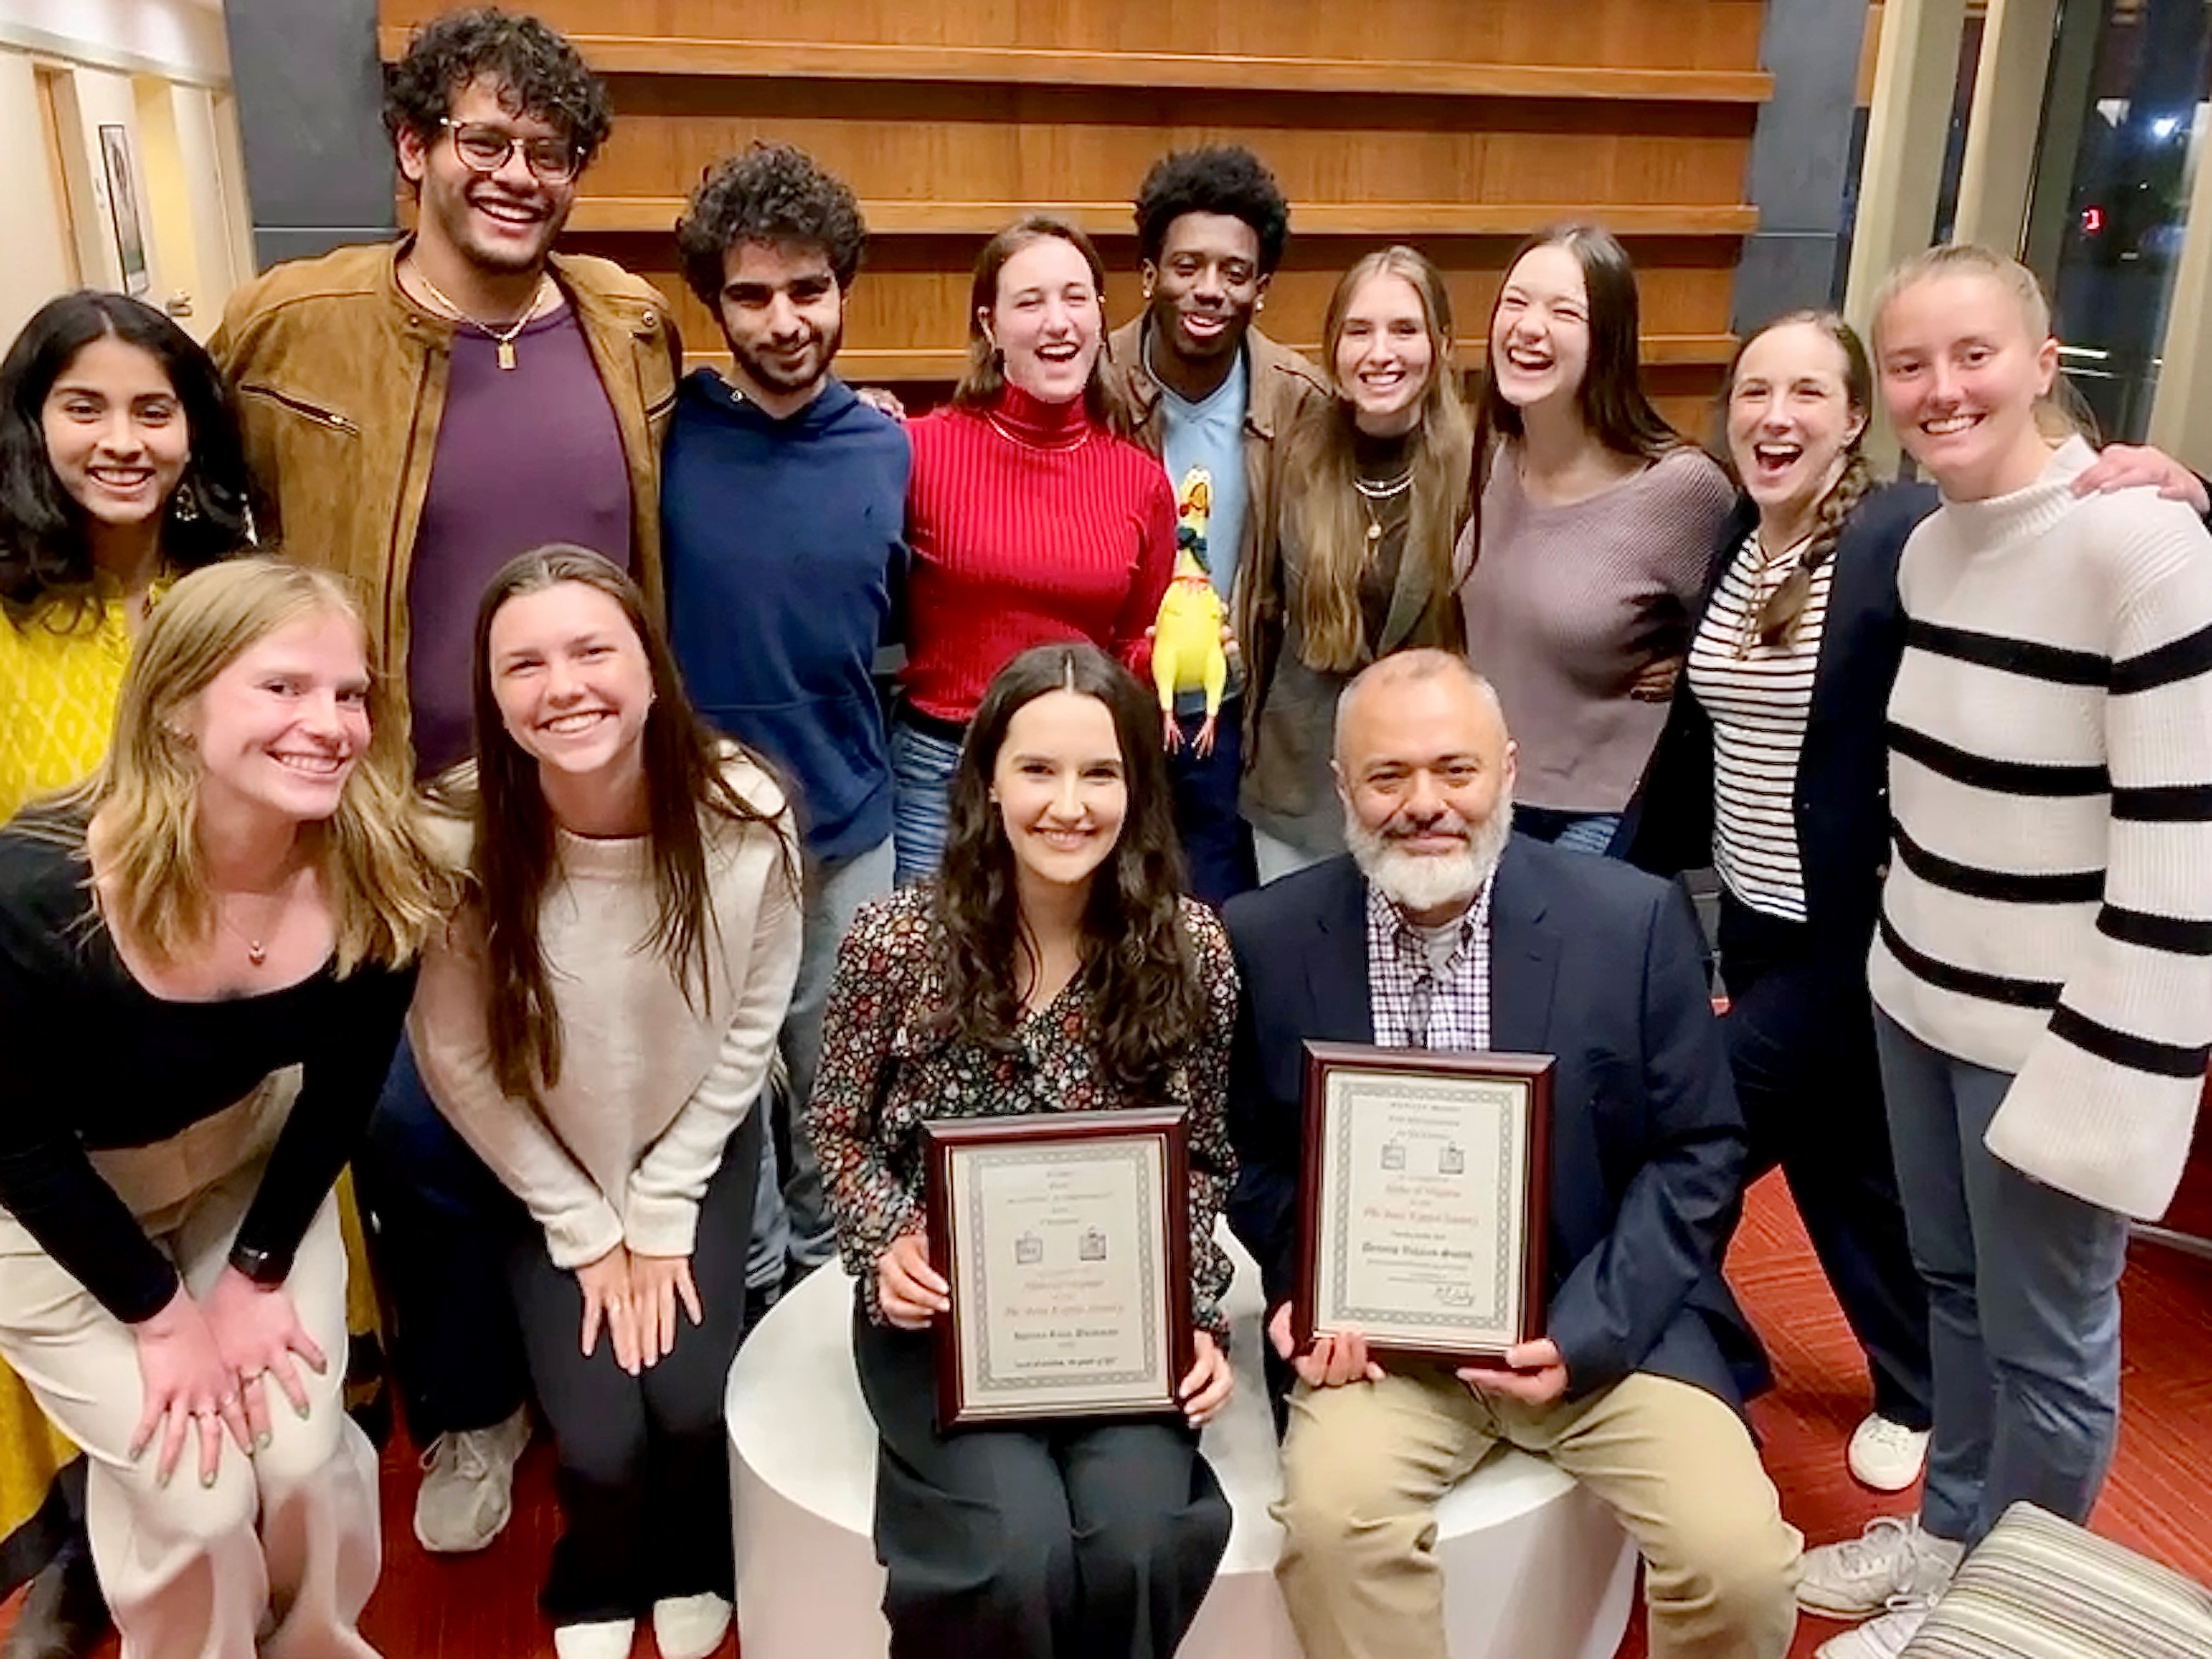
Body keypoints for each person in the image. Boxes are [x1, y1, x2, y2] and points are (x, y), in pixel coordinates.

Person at [211, 5, 681, 1553]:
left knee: (572, 1090)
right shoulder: (296, 322)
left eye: (549, 153)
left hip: (582, 799)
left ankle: (590, 1368)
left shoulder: (622, 318)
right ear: (413, 148)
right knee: (412, 1122)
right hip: (388, 811)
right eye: (483, 141)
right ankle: (472, 1409)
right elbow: (206, 516)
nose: (517, 175)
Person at [1624, 311, 2205, 1505]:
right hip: (1762, 925)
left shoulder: (1898, 534)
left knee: (1679, 1150)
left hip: (1857, 938)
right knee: (1851, 1173)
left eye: (1807, 394)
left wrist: (2185, 489)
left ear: (1852, 421)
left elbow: (2049, 550)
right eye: (1752, 392)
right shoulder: (1746, 533)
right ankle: (1913, 1386)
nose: (1773, 416)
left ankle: (1698, 1369)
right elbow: (1713, 727)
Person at [1789, 245, 2212, 1659]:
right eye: (1909, 364)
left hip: (2052, 1033)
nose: (1941, 388)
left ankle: (2012, 1620)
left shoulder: (2141, 545)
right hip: (1916, 1000)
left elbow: (2178, 851)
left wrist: (2111, 1083)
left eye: (1974, 355)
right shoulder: (1921, 541)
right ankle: (1953, 1545)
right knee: (1951, 1298)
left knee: (2050, 1349)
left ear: (2044, 362)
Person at [1225, 648, 1800, 1659]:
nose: (1424, 803)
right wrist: (1300, 1288)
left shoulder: (1629, 920)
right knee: (1332, 1529)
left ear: (1509, 770)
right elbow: (1258, 1154)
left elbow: (1700, 1150)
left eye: (1456, 768)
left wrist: (1587, 1330)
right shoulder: (1269, 936)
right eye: (1388, 774)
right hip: (1383, 1346)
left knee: (1737, 1563)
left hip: (1602, 1315)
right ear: (1341, 787)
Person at [0, 556, 452, 1659]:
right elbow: (18, 1144)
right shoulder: (35, 893)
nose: (332, 724)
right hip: (48, 1199)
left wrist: (253, 1273)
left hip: (242, 1160)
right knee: (195, 1490)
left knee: (301, 1453)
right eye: (283, 687)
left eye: (350, 694)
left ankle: (316, 1642)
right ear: (176, 706)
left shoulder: (378, 871)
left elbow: (340, 1098)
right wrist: (162, 1318)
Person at [809, 642, 1238, 1658]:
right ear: (988, 780)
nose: (1069, 803)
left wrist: (1199, 1316)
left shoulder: (1194, 950)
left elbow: (1204, 1157)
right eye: (1038, 769)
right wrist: (884, 1243)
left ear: (1138, 788)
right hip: (947, 1319)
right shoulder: (895, 940)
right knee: (1016, 1548)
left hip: (1117, 1323)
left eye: (1101, 772)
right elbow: (834, 1124)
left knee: (1136, 1540)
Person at [409, 548, 801, 1659]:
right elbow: (456, 1060)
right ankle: (598, 1567)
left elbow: (753, 1021)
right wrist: (585, 1224)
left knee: (687, 1406)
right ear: (491, 693)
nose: (562, 686)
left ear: (650, 664)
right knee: (596, 1439)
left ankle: (693, 1556)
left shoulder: (744, 813)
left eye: (592, 650)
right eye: (523, 663)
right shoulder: (454, 835)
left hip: (694, 1146)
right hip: (544, 1161)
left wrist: (666, 1200)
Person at [0, 290, 258, 1658]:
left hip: (225, 1026)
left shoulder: (225, 588)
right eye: (83, 408)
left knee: (227, 1349)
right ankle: (90, 1544)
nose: (123, 441)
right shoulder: (5, 605)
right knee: (95, 1318)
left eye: (153, 410)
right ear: (31, 423)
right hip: (45, 1049)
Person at [662, 141, 909, 1315]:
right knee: (721, 1095)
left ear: (844, 289)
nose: (784, 320)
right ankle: (750, 1294)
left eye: (809, 290)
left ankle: (824, 1292)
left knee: (837, 1091)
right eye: (753, 296)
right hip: (699, 831)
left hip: (847, 827)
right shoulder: (666, 438)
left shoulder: (891, 444)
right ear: (715, 304)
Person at [893, 217, 1177, 883]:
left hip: (1077, 779)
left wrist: (1172, 650)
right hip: (943, 771)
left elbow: (1133, 645)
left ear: (1101, 319)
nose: (1058, 322)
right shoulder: (915, 452)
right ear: (990, 327)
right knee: (936, 975)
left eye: (1076, 299)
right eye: (1030, 302)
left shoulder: (1141, 481)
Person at [1458, 222, 1735, 854]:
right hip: (1489, 791)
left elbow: (1756, 622)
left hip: (1599, 809)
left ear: (1609, 340)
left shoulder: (1680, 488)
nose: (1530, 327)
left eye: (1564, 313)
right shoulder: (1495, 455)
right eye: (1516, 303)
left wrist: (1692, 663)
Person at [1104, 145, 1327, 906]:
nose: (1209, 290)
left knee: (1218, 926)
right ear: (1148, 275)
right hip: (1114, 710)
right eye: (1187, 266)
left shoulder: (1303, 402)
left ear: (1262, 288)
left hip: (1232, 720)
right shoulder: (1092, 384)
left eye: (1235, 272)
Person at [1240, 247, 1473, 880]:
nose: (1381, 353)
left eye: (1405, 329)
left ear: (1442, 344)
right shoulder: (1292, 454)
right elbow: (1255, 609)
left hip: (1429, 798)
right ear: (1334, 347)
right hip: (1299, 791)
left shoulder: (1480, 466)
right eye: (1359, 331)